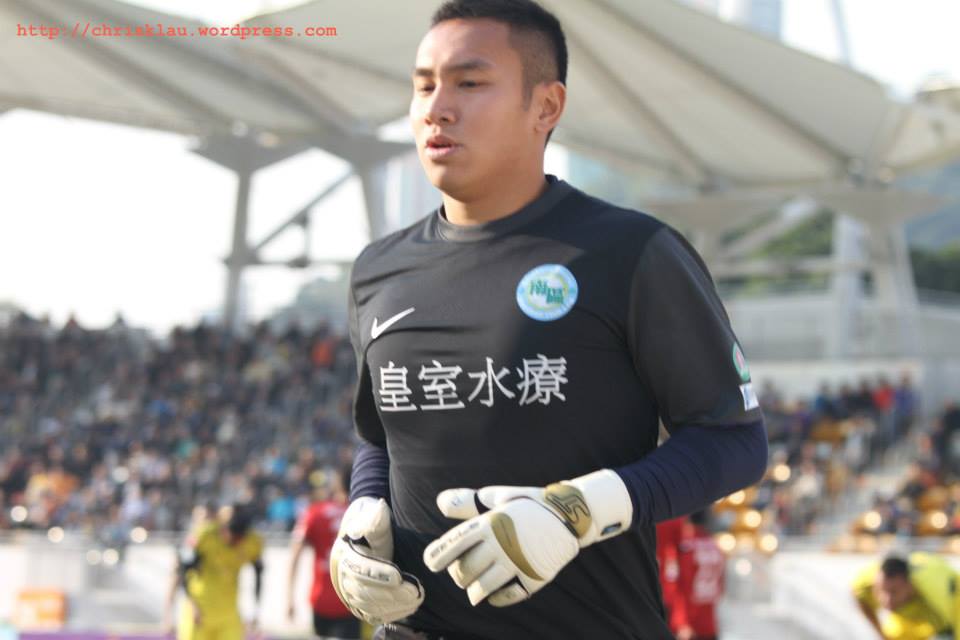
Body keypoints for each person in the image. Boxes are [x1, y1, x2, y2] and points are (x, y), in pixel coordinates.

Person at [331, 1, 768, 638]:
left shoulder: (631, 253)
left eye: (470, 82)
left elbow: (735, 442)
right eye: (424, 85)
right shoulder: (378, 270)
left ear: (546, 107)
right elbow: (380, 436)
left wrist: (579, 511)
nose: (436, 107)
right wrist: (361, 512)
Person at [166, 503, 264, 640]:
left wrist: (255, 610)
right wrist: (191, 604)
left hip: (229, 614)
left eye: (239, 539)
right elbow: (182, 569)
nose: (234, 542)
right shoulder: (204, 536)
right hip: (199, 612)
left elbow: (259, 573)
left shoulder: (253, 542)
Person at [287, 468, 361, 640]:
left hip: (320, 599)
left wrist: (289, 598)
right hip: (353, 601)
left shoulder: (315, 512)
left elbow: (295, 555)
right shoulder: (362, 515)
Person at [852, 553, 960, 640]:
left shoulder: (937, 590)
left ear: (909, 585)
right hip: (906, 611)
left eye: (893, 592)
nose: (886, 600)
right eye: (881, 591)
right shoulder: (867, 581)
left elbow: (954, 622)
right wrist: (881, 635)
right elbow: (861, 599)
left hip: (947, 612)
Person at [667, 511, 724, 640]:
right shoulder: (716, 546)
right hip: (709, 621)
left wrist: (681, 622)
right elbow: (722, 585)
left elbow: (678, 586)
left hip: (689, 625)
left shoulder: (686, 548)